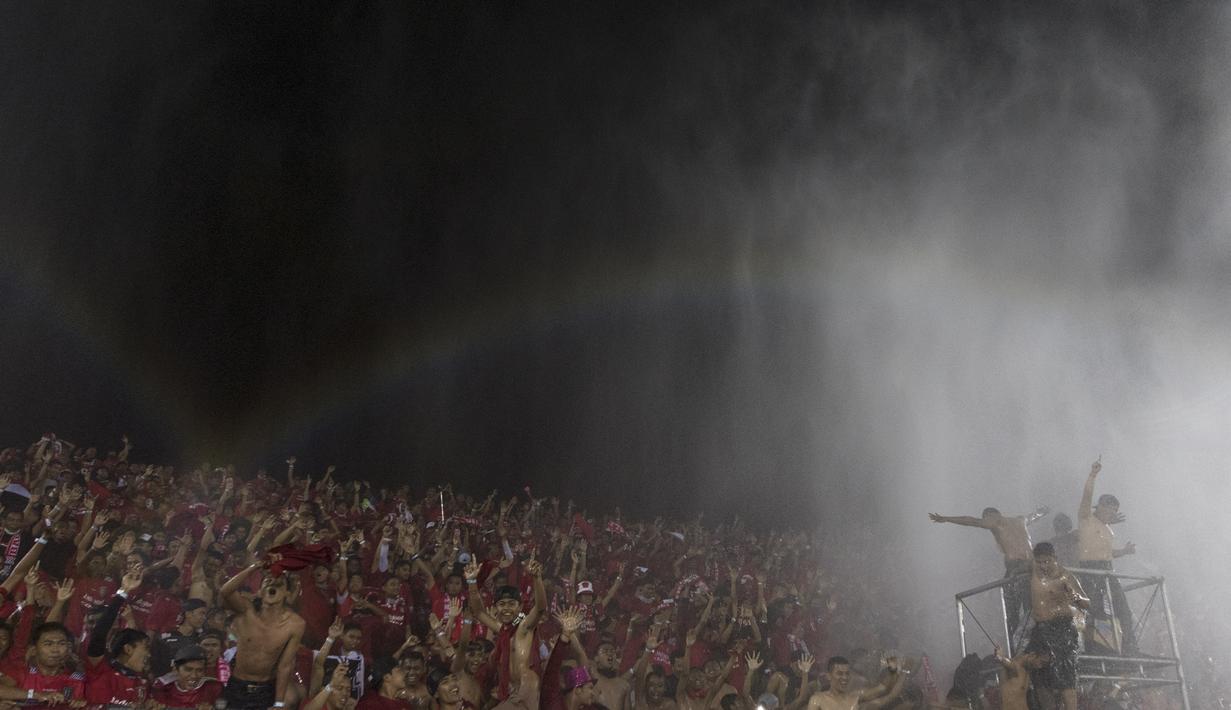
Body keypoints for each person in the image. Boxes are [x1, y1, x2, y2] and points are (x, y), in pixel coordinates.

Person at [928, 505, 1049, 645]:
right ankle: (1037, 642)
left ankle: (1018, 646)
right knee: (1031, 606)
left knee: (1012, 612)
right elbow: (1034, 515)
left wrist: (945, 519)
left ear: (989, 516)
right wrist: (1043, 511)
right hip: (1031, 567)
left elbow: (971, 521)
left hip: (1016, 568)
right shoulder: (1019, 520)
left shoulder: (994, 520)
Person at [220, 559, 307, 710]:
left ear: (287, 592)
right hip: (237, 684)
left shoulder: (295, 624)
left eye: (279, 584)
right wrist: (255, 566)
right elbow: (225, 591)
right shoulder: (247, 612)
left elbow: (285, 666)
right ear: (259, 591)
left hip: (266, 689)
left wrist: (279, 703)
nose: (272, 585)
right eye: (267, 582)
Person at [1076, 459, 1136, 654]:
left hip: (1107, 570)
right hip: (1091, 570)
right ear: (1100, 506)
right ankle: (1099, 648)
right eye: (1110, 508)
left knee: (1122, 610)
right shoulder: (1087, 519)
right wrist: (1093, 475)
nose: (1112, 513)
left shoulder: (1107, 528)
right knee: (1097, 612)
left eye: (1115, 510)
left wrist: (1124, 552)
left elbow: (1107, 554)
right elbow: (1086, 496)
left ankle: (1128, 648)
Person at [1025, 542, 1088, 710]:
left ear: (1055, 559)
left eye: (1048, 561)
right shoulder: (1033, 570)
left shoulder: (1065, 577)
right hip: (1040, 629)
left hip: (1062, 630)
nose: (1044, 565)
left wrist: (1077, 599)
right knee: (1038, 674)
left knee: (1066, 675)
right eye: (1040, 562)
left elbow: (1087, 603)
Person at [802, 655, 904, 710]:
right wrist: (805, 674)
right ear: (829, 676)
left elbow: (883, 688)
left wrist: (893, 670)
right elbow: (801, 699)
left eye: (847, 673)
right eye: (840, 673)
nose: (844, 677)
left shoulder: (855, 698)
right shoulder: (818, 700)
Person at [152, 643, 224, 709]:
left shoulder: (213, 688)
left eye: (199, 670)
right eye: (188, 669)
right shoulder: (162, 688)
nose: (194, 675)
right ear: (176, 670)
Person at [990, 644, 1047, 710]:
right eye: (1041, 662)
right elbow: (1010, 664)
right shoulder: (1017, 665)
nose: (1040, 666)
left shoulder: (1027, 671)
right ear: (1033, 655)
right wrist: (1001, 658)